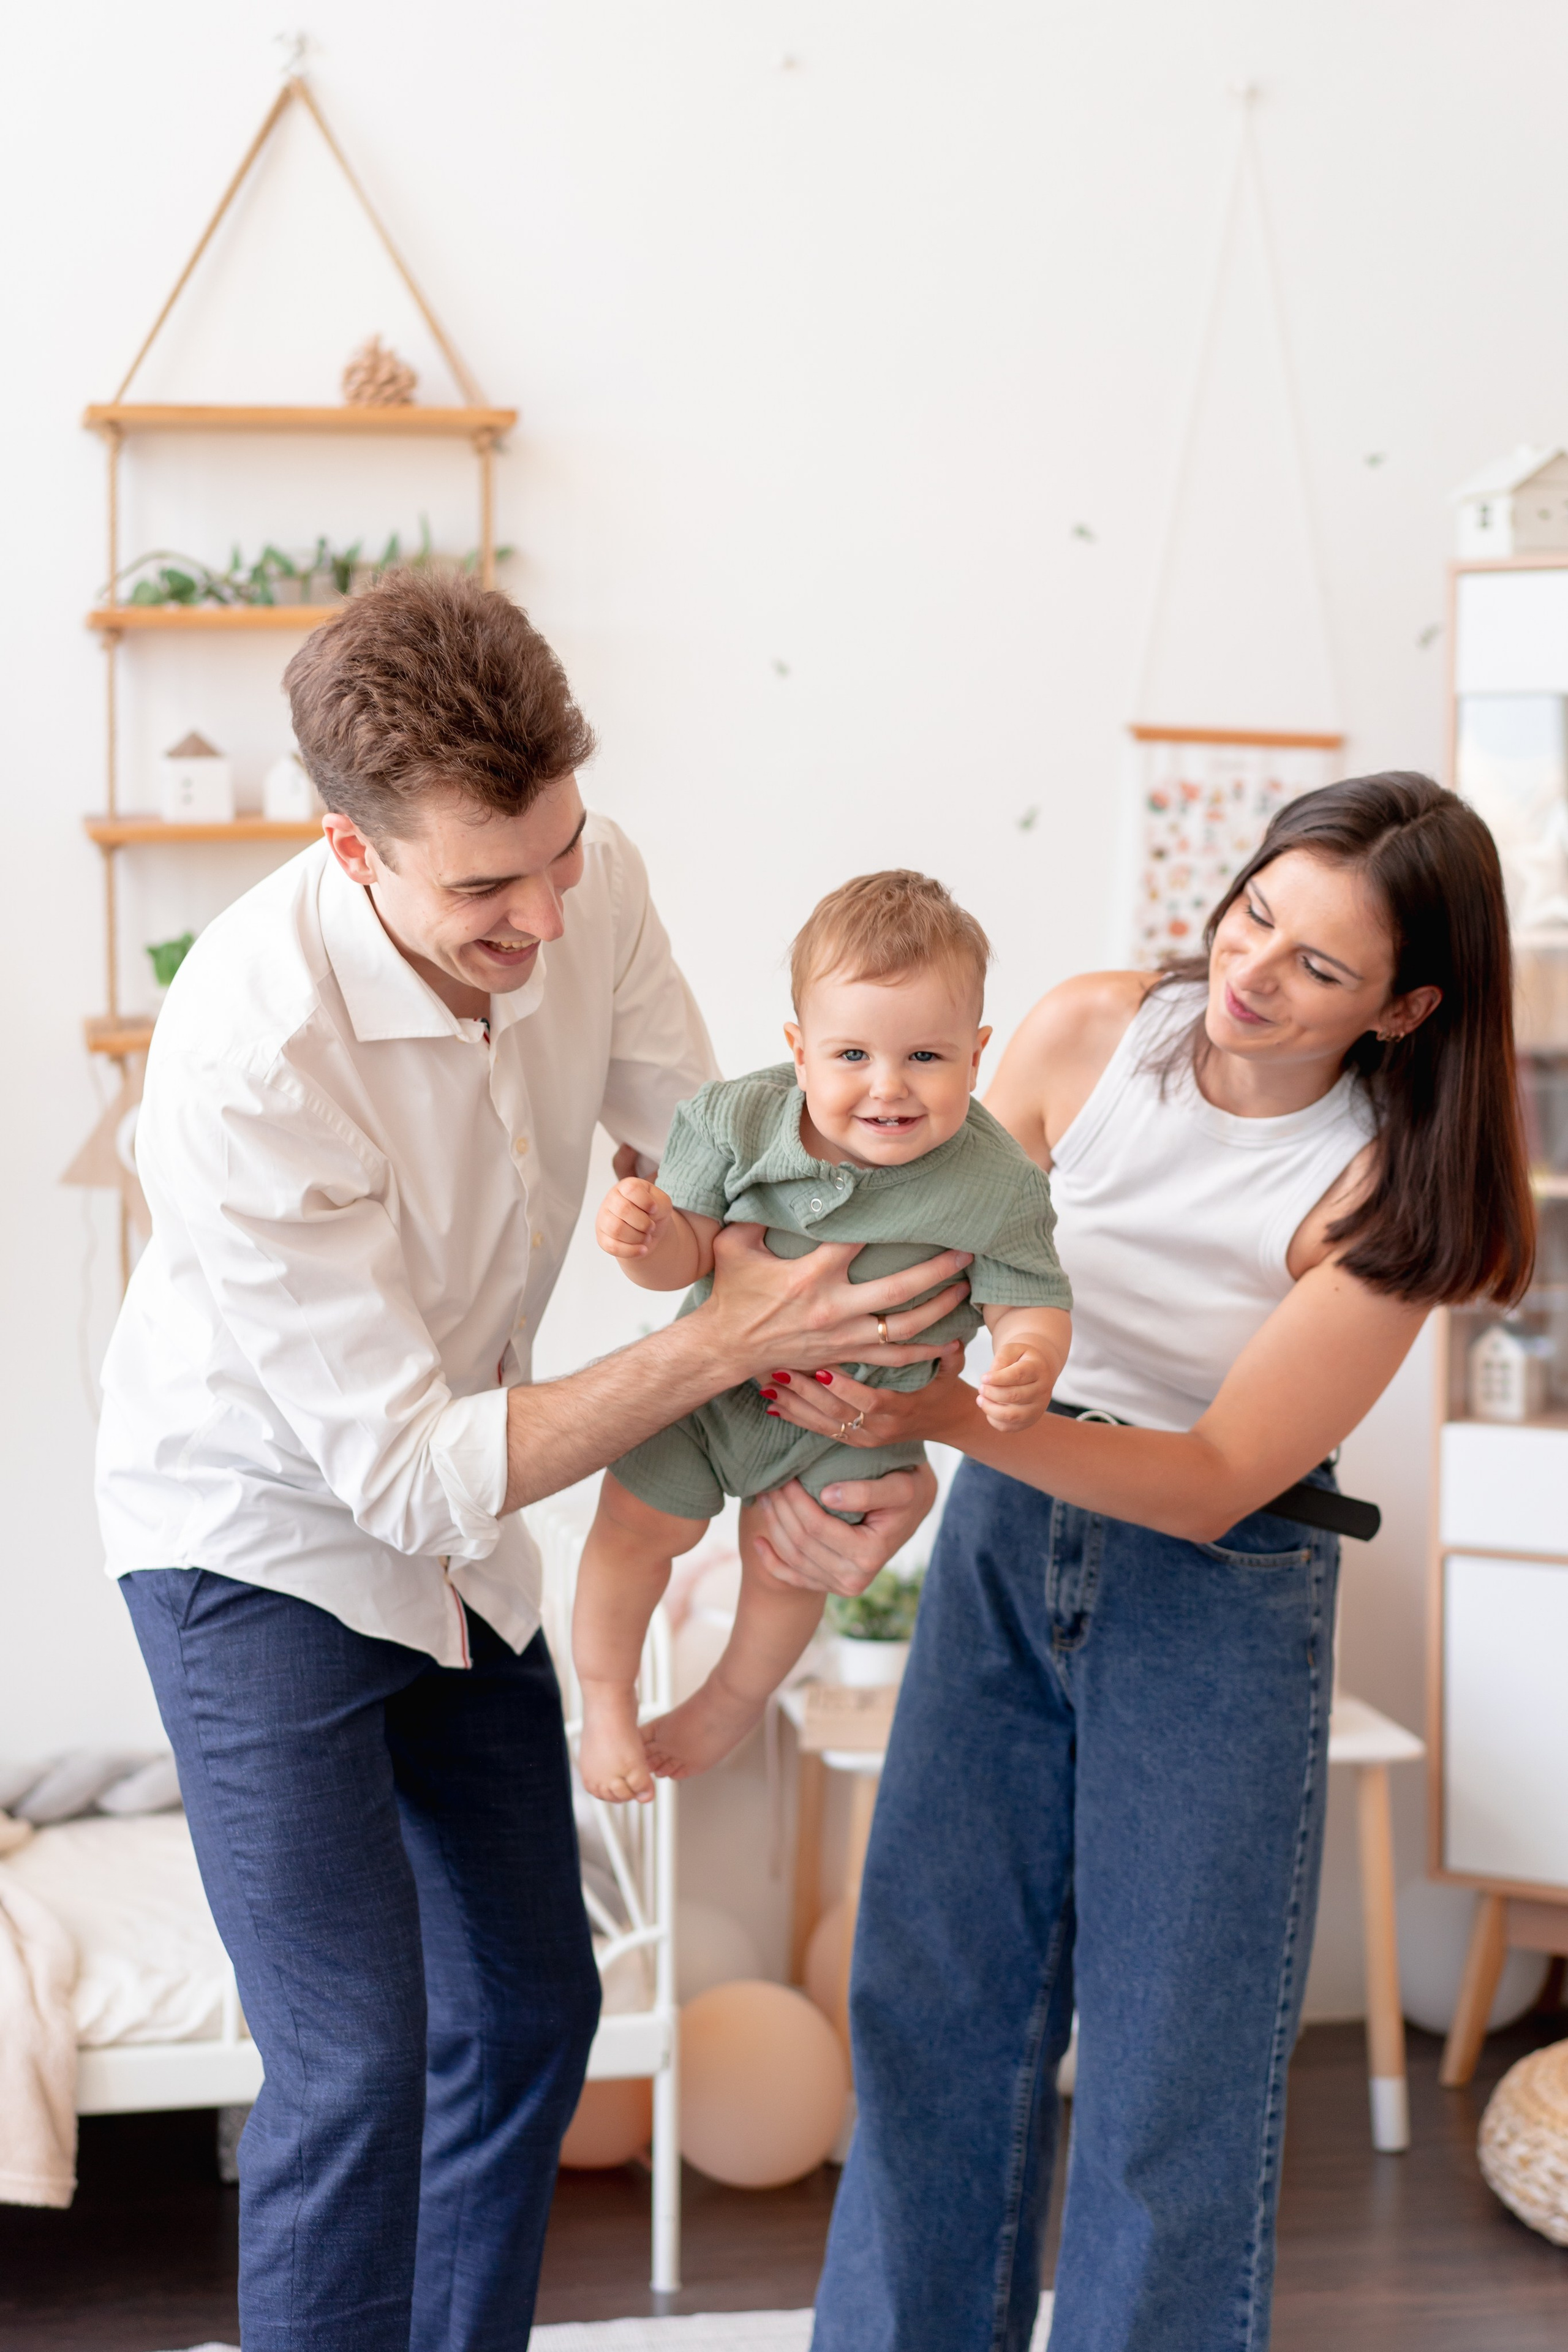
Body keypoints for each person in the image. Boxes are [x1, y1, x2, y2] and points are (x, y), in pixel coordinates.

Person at [94, 574, 968, 2352]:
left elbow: (727, 1182)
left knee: (532, 2009)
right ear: (352, 852)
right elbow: (407, 1472)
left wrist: (847, 1426)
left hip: (457, 1514)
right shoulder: (249, 1057)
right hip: (255, 1532)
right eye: (487, 887)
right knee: (351, 2062)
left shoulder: (592, 877)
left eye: (557, 853)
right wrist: (713, 1350)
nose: (544, 912)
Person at [764, 775, 1535, 2352]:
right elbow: (926, 1246)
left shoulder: (1385, 1188)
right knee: (931, 2010)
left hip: (1216, 1585)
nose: (1249, 973)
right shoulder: (1081, 1037)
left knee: (1167, 2074)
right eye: (1255, 912)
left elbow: (1208, 1480)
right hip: (1001, 1540)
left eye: (1318, 968)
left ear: (1404, 1008)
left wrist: (951, 1419)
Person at [571, 870, 1072, 1802]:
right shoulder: (736, 1120)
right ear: (799, 1052)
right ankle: (606, 1696)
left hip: (862, 1420)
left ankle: (731, 1699)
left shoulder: (998, 1180)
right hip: (707, 1392)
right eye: (852, 1055)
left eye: (927, 1056)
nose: (888, 1088)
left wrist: (1030, 1356)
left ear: (977, 1053)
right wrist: (646, 1239)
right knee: (639, 1521)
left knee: (793, 1560)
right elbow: (685, 1258)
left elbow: (1029, 1294)